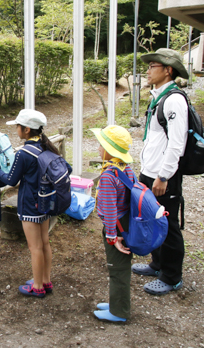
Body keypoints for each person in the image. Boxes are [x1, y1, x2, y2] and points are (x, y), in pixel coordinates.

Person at [0, 109, 71, 297]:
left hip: (30, 204)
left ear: (26, 130)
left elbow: (11, 179)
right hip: (46, 201)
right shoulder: (45, 146)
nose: (16, 129)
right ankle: (45, 281)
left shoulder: (24, 153)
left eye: (18, 126)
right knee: (44, 243)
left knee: (34, 247)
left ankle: (37, 287)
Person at [132, 48, 189, 296]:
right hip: (151, 171)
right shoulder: (158, 97)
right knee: (152, 218)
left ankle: (172, 276)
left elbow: (177, 144)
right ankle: (157, 264)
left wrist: (164, 176)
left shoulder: (174, 100)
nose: (148, 70)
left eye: (153, 65)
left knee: (168, 223)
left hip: (163, 176)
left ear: (168, 70)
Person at [90, 125, 135, 322]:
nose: (99, 149)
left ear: (110, 150)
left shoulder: (109, 176)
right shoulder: (125, 169)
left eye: (101, 145)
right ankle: (116, 303)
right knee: (120, 267)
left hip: (117, 227)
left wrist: (112, 236)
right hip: (126, 223)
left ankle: (119, 312)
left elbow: (109, 209)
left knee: (117, 268)